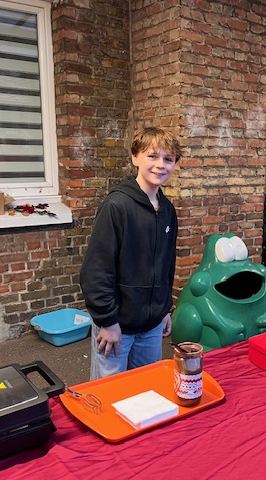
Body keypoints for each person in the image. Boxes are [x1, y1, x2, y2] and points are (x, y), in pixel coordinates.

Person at [80, 127, 181, 379]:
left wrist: (164, 311)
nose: (160, 165)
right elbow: (96, 270)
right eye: (152, 156)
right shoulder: (116, 206)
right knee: (109, 393)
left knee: (146, 389)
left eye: (168, 159)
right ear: (135, 157)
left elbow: (167, 266)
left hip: (152, 326)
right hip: (117, 327)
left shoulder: (167, 210)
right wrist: (107, 321)